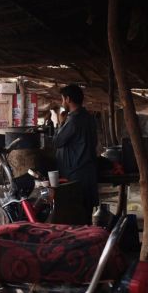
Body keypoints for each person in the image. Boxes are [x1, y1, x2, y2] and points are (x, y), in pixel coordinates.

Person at [53, 84, 98, 224]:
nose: (62, 103)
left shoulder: (73, 120)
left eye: (62, 99)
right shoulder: (88, 118)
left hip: (75, 174)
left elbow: (57, 142)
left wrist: (60, 124)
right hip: (88, 172)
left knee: (75, 217)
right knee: (86, 215)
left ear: (68, 99)